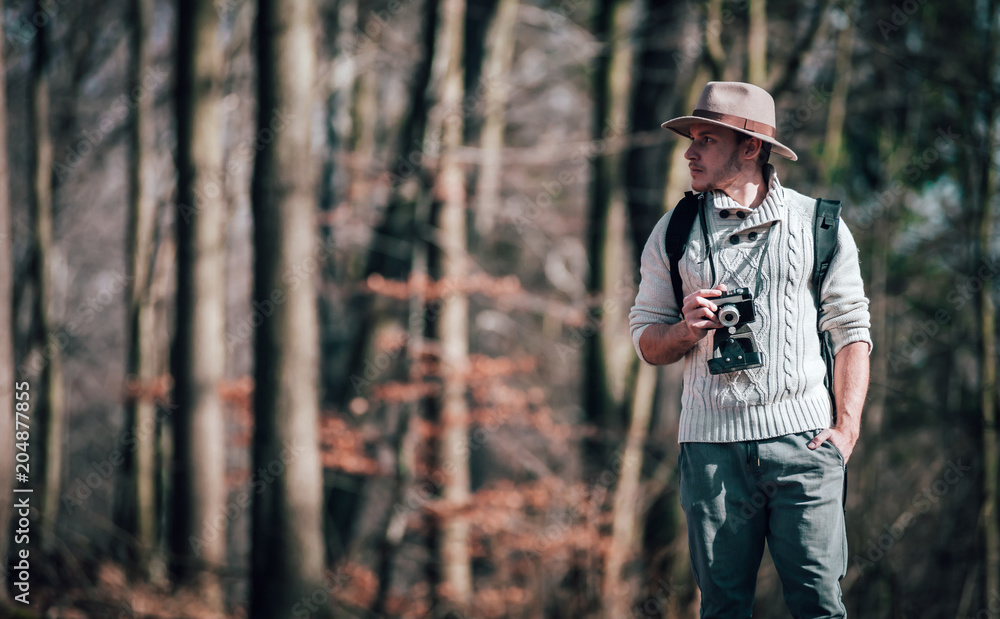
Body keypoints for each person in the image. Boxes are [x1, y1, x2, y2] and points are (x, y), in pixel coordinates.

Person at [629, 81, 872, 618]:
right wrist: (685, 330)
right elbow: (646, 339)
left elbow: (852, 330)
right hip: (710, 451)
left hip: (804, 447)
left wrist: (845, 431)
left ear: (750, 147)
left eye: (706, 140)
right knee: (722, 608)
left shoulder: (820, 226)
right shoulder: (672, 234)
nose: (689, 152)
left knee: (819, 605)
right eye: (690, 139)